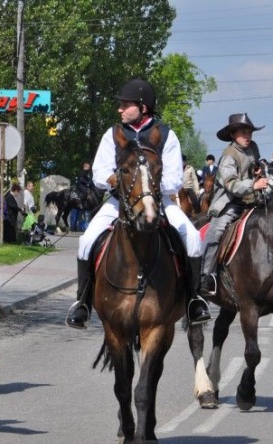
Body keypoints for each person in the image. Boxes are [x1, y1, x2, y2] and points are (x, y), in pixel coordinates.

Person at [65, 78, 211, 329]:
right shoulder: (113, 134)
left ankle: (193, 300)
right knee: (86, 241)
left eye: (125, 105)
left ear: (143, 107)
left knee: (194, 240)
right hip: (118, 200)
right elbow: (100, 172)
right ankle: (84, 303)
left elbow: (175, 178)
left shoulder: (166, 135)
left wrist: (146, 187)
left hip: (159, 201)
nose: (120, 109)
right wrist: (120, 182)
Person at [198, 113, 270, 296]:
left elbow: (254, 166)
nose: (247, 136)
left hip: (254, 199)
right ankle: (206, 277)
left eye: (249, 132)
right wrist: (253, 184)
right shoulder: (228, 156)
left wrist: (258, 172)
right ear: (232, 135)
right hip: (231, 203)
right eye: (243, 133)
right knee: (215, 233)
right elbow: (231, 185)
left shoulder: (253, 147)